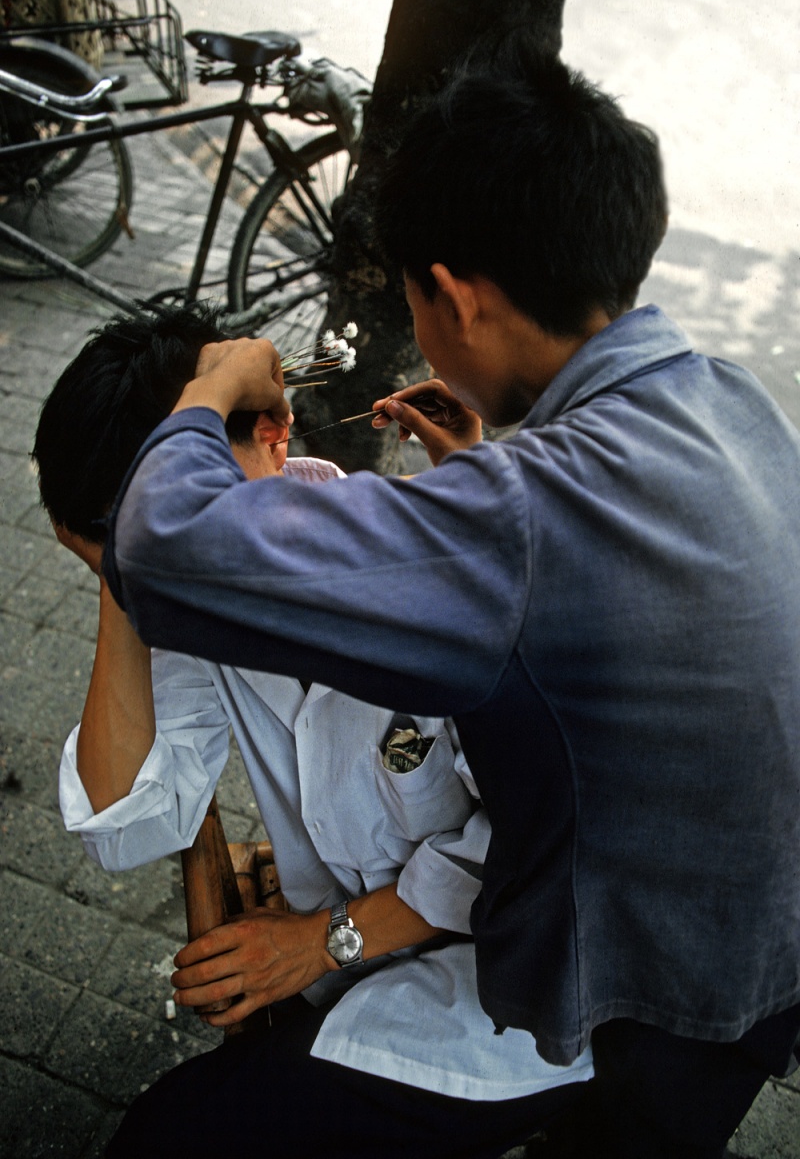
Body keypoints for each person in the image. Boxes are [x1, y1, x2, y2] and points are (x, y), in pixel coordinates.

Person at [95, 47, 800, 1158]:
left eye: (415, 305)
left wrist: (211, 386)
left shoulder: (520, 514)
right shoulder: (731, 398)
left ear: (457, 299)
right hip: (763, 949)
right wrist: (482, 474)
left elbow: (161, 546)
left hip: (646, 988)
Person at [34, 306, 593, 1159]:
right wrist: (123, 585)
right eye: (137, 532)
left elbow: (540, 844)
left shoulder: (432, 568)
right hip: (352, 971)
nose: (164, 543)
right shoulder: (191, 588)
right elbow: (127, 827)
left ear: (273, 433)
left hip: (507, 984)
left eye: (178, 498)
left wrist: (322, 943)